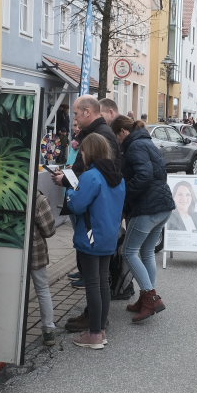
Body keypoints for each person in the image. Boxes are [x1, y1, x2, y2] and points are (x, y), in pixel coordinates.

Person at [63, 95, 122, 331]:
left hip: (91, 234)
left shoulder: (92, 176)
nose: (82, 155)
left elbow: (77, 204)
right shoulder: (116, 177)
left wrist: (70, 190)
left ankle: (95, 331)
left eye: (83, 152)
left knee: (93, 282)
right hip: (108, 233)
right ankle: (100, 324)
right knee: (102, 281)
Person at [112, 115, 175, 322]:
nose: (117, 141)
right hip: (163, 205)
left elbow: (144, 175)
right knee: (147, 252)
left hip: (147, 208)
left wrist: (124, 195)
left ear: (123, 132)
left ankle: (150, 297)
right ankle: (146, 297)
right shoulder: (147, 142)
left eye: (117, 137)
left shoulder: (135, 146)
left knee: (129, 251)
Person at [30, 186, 58, 346]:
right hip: (35, 252)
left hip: (10, 250)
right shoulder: (39, 199)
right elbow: (49, 231)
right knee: (42, 289)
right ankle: (48, 330)